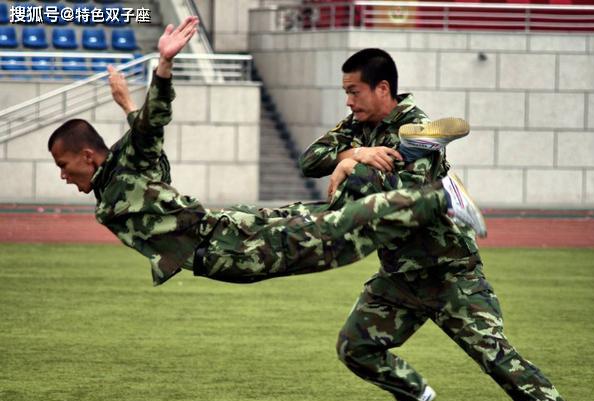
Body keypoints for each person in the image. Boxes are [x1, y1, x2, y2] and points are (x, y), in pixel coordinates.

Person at [299, 48, 594, 401]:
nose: (348, 101)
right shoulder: (357, 127)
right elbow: (309, 159)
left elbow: (397, 191)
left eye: (354, 91)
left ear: (382, 88)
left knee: (497, 358)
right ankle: (412, 396)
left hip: (450, 274)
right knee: (355, 347)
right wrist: (355, 155)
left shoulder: (418, 129)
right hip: (401, 278)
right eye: (345, 92)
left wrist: (352, 169)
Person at [48, 17, 484, 290]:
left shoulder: (124, 169)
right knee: (327, 212)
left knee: (335, 230)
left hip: (225, 245)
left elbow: (149, 130)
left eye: (63, 165)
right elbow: (139, 142)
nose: (63, 175)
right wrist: (126, 105)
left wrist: (162, 68)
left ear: (87, 155)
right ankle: (422, 182)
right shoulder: (115, 178)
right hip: (227, 229)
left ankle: (443, 196)